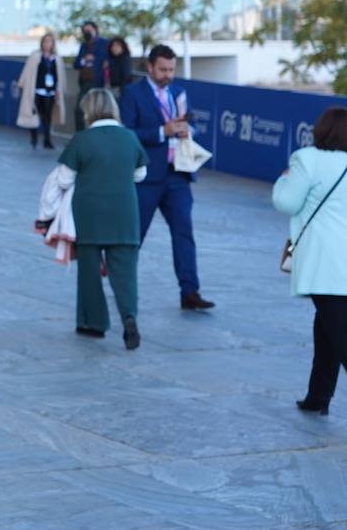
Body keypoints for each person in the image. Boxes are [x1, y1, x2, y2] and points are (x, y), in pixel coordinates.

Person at [272, 107, 347, 436]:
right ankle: (318, 396)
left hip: (327, 258)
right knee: (328, 324)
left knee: (346, 335)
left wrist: (282, 179)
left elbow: (287, 203)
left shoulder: (307, 159)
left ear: (321, 131)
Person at [119, 44, 215, 311]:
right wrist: (163, 131)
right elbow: (127, 133)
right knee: (135, 236)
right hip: (147, 176)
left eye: (171, 69)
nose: (167, 75)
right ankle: (123, 289)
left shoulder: (178, 93)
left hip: (178, 175)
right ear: (150, 67)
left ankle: (190, 291)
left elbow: (189, 125)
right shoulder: (132, 94)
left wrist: (187, 131)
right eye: (162, 69)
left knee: (184, 232)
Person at [55, 90, 148, 348]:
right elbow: (140, 174)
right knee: (126, 273)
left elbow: (64, 178)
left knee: (89, 273)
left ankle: (92, 323)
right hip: (125, 215)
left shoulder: (82, 140)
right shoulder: (130, 138)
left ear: (90, 111)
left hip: (89, 215)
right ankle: (129, 317)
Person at [16, 32, 66, 149]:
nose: (47, 44)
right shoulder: (35, 56)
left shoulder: (56, 59)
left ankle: (47, 139)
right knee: (33, 114)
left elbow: (60, 76)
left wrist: (59, 90)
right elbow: (28, 72)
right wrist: (22, 84)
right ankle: (34, 138)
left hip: (50, 92)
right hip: (37, 90)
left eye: (50, 41)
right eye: (45, 41)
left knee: (47, 116)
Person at [72, 21, 106, 129]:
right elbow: (76, 64)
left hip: (98, 82)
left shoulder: (104, 43)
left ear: (95, 29)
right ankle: (80, 137)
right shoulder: (84, 45)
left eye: (89, 30)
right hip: (84, 83)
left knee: (97, 113)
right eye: (85, 31)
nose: (87, 32)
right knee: (79, 110)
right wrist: (84, 60)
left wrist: (95, 60)